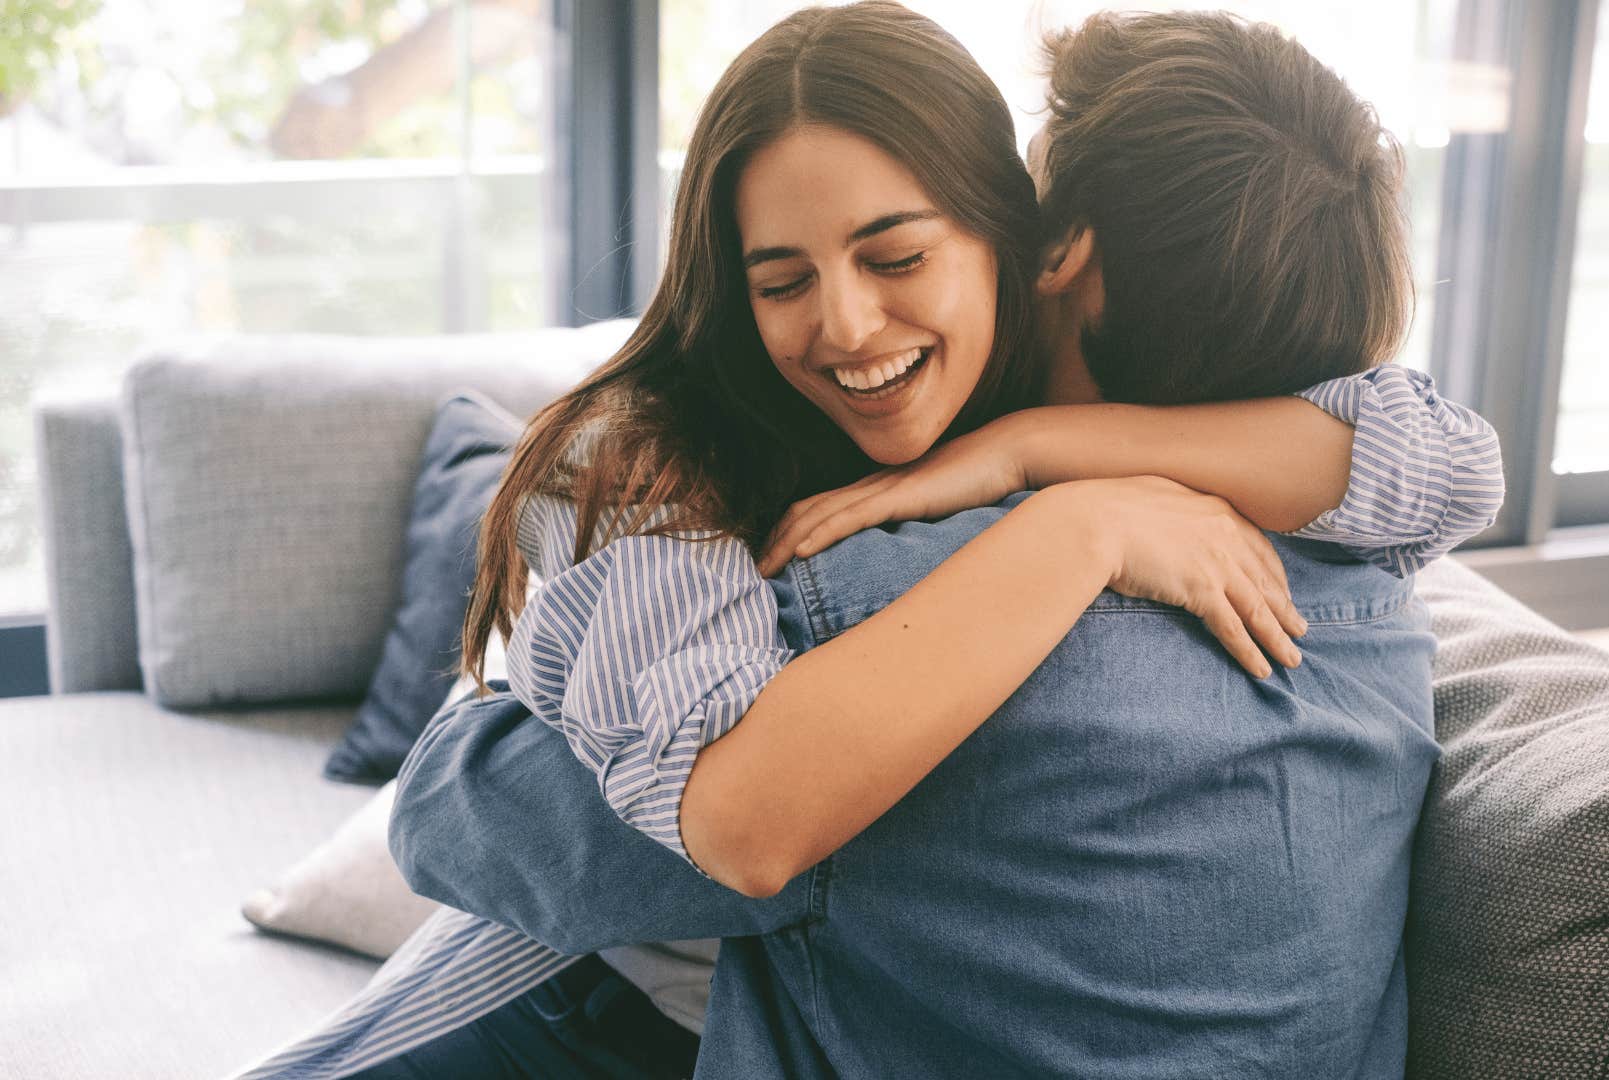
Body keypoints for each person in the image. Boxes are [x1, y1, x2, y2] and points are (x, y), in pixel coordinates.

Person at [236, 6, 1498, 1077]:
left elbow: (1447, 458)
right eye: (781, 280)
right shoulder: (652, 464)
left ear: (1045, 248)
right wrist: (1078, 518)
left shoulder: (978, 538)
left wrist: (1044, 473)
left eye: (899, 254)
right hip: (607, 969)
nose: (845, 324)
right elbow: (554, 817)